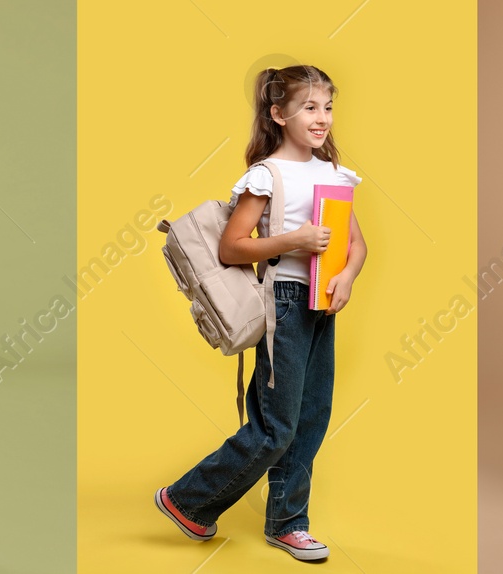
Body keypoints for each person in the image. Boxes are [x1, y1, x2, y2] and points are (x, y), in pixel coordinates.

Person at [154, 64, 368, 563]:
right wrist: (292, 240)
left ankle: (288, 523)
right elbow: (231, 248)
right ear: (279, 114)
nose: (322, 119)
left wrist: (348, 277)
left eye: (328, 107)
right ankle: (186, 498)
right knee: (276, 425)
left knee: (311, 418)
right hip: (286, 305)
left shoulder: (335, 173)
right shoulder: (266, 176)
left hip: (321, 304)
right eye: (309, 107)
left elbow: (357, 244)